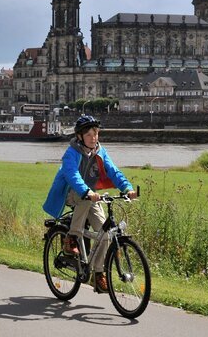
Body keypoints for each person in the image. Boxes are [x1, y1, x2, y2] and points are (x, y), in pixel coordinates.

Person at [42, 115, 137, 292]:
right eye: (89, 135)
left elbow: (113, 171)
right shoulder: (71, 153)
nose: (94, 138)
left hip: (91, 195)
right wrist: (86, 191)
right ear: (79, 137)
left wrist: (127, 188)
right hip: (71, 193)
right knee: (84, 199)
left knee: (106, 233)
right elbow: (72, 175)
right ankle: (71, 238)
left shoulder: (101, 151)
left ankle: (98, 273)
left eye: (96, 134)